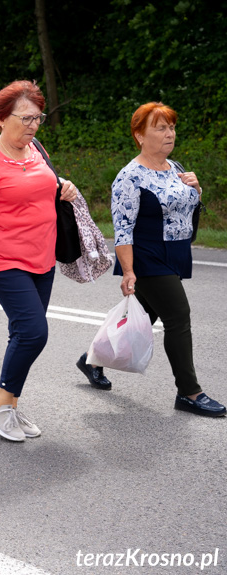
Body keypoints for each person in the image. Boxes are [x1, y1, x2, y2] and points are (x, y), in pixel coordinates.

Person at [0, 81, 78, 441]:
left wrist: (65, 187)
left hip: (42, 259)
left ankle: (10, 405)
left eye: (37, 118)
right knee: (33, 332)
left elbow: (45, 187)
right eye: (25, 118)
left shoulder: (36, 150)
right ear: (0, 119)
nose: (32, 125)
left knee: (20, 334)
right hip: (5, 261)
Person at [98, 102, 224, 417]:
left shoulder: (176, 167)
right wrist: (128, 272)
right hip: (147, 255)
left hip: (176, 253)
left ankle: (90, 359)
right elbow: (123, 230)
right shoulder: (129, 177)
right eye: (160, 128)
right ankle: (189, 392)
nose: (169, 134)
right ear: (139, 136)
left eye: (171, 127)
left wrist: (198, 189)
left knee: (143, 317)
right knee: (178, 316)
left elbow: (186, 209)